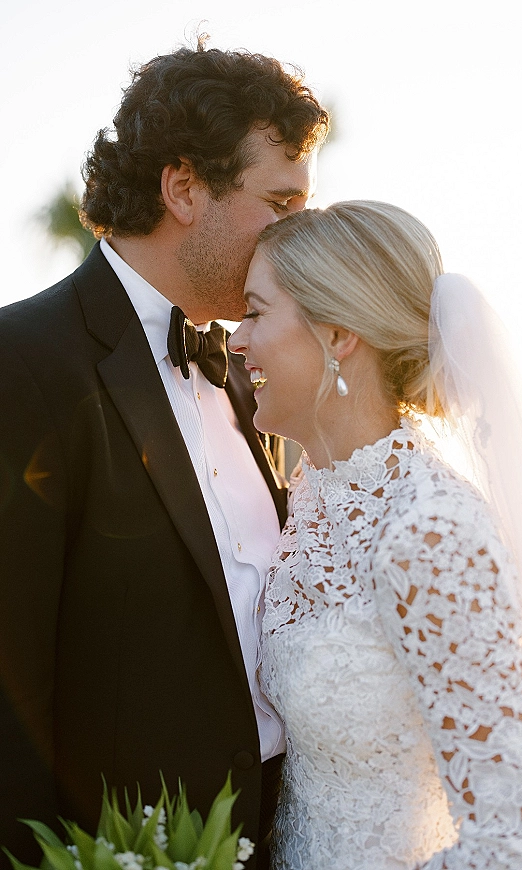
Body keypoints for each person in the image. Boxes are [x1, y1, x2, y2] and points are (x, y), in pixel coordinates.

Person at [0, 39, 328, 869]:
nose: (298, 236)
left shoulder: (256, 374)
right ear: (184, 187)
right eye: (280, 203)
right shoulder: (23, 361)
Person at [228, 200, 522, 869]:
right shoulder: (311, 497)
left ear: (338, 335)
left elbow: (520, 844)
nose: (236, 340)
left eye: (255, 311)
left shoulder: (430, 530)